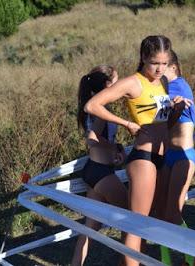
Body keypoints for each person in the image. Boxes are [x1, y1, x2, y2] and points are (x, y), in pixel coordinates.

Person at [84, 35, 187, 266]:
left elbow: (164, 125)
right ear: (143, 58)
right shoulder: (133, 82)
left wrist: (177, 109)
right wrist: (127, 123)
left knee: (152, 221)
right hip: (143, 159)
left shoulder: (162, 83)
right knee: (136, 223)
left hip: (161, 155)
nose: (160, 68)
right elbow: (92, 106)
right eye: (154, 63)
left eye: (164, 63)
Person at [71, 65, 128, 266]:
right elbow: (92, 138)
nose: (119, 85)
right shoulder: (100, 109)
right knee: (130, 221)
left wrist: (114, 148)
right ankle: (127, 262)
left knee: (89, 228)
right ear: (107, 85)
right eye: (116, 81)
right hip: (103, 173)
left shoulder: (89, 107)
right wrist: (114, 147)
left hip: (93, 171)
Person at [158, 50, 195, 265]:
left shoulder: (179, 86)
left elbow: (167, 113)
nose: (158, 70)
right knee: (163, 213)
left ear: (172, 66)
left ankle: (191, 260)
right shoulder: (165, 88)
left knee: (173, 213)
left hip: (183, 155)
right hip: (169, 155)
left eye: (163, 66)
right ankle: (167, 261)